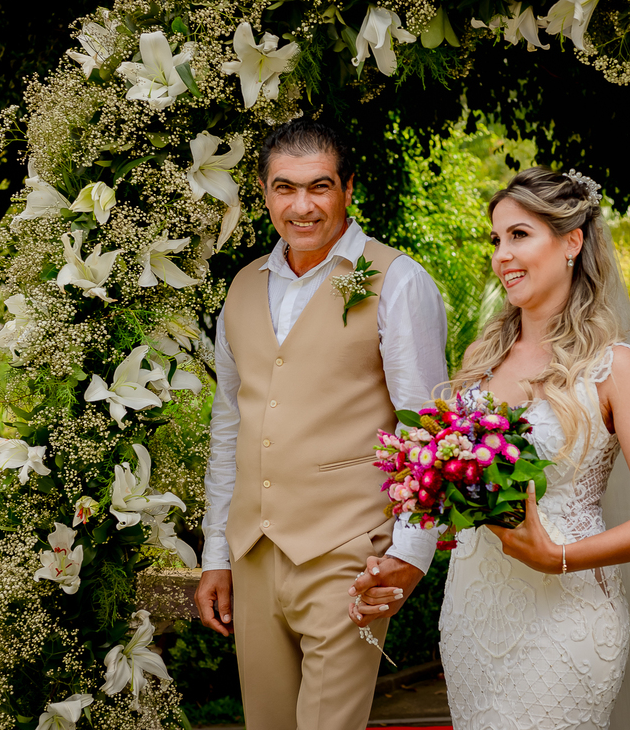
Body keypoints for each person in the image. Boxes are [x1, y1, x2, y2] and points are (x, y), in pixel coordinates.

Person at [353, 167, 630, 729]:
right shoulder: (480, 362)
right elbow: (468, 501)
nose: (502, 255)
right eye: (496, 239)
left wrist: (556, 557)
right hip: (473, 613)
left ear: (571, 242)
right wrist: (422, 543)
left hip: (568, 622)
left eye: (519, 235)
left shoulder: (616, 367)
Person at [192, 119, 448, 730]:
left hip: (348, 555)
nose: (302, 206)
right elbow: (229, 427)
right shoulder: (242, 287)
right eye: (285, 188)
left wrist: (409, 556)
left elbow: (425, 432)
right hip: (253, 554)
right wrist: (216, 553)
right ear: (263, 193)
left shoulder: (398, 280)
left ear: (348, 189)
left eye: (319, 187)